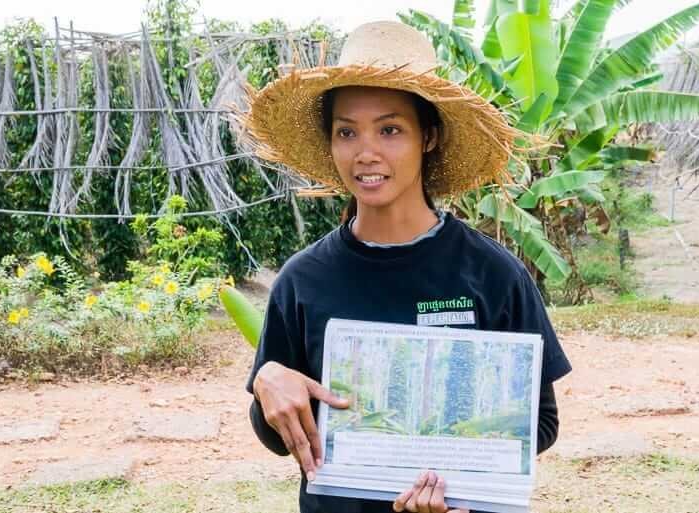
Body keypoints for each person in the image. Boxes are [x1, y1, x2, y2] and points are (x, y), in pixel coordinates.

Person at [243, 21, 572, 513]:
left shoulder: (494, 275)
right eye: (347, 132)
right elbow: (280, 438)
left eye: (390, 129)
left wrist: (451, 473)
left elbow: (540, 425)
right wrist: (268, 384)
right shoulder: (301, 280)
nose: (366, 152)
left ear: (429, 137)